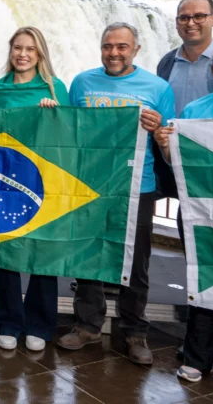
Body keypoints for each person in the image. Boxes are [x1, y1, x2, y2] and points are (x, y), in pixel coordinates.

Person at [59, 22, 174, 365]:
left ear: (136, 50)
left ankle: (135, 332)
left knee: (135, 263)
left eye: (122, 47)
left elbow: (170, 142)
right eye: (108, 46)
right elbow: (69, 132)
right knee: (89, 257)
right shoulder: (82, 82)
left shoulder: (158, 88)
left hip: (138, 187)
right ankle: (88, 325)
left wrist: (158, 132)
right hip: (91, 186)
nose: (114, 53)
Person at [155, 42, 213, 398]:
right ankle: (197, 357)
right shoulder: (195, 110)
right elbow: (175, 160)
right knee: (205, 277)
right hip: (205, 211)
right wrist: (166, 145)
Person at [154, 0, 213, 351]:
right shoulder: (167, 63)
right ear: (177, 23)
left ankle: (212, 327)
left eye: (199, 16)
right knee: (189, 240)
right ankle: (202, 315)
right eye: (184, 17)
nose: (191, 22)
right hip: (168, 158)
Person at [0, 27, 69, 352]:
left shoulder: (54, 88)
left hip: (43, 180)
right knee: (7, 252)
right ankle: (8, 321)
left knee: (41, 252)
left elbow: (70, 136)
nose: (22, 54)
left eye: (29, 50)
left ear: (40, 54)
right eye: (17, 48)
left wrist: (55, 115)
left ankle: (40, 324)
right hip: (5, 181)